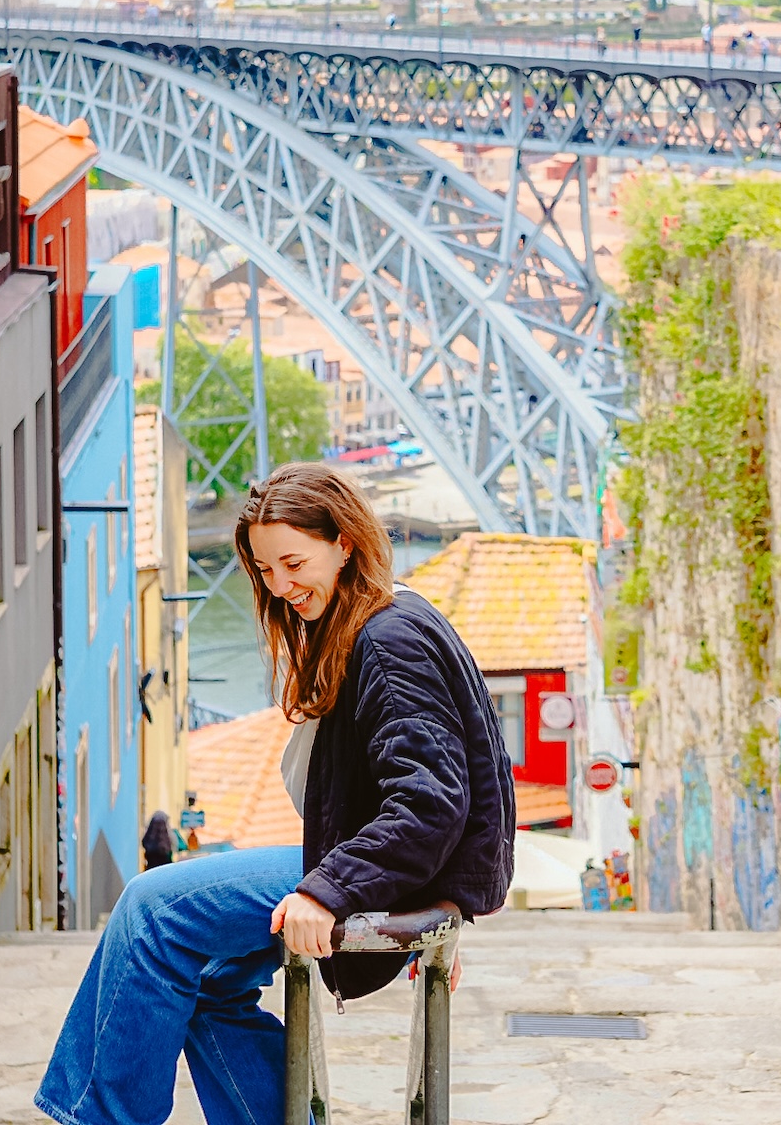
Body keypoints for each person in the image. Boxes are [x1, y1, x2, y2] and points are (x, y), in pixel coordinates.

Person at [35, 462, 515, 1125]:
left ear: (344, 542)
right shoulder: (388, 613)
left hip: (376, 873)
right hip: (385, 867)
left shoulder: (388, 640)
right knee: (206, 977)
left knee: (151, 908)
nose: (280, 585)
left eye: (293, 562)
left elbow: (432, 800)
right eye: (263, 570)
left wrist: (329, 890)